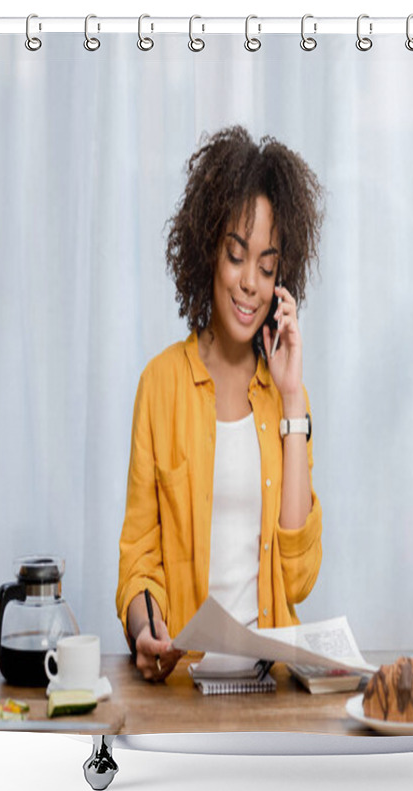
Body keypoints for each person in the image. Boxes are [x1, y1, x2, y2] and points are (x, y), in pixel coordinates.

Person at [115, 126, 324, 681]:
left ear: (282, 279)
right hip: (182, 694)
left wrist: (292, 397)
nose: (250, 284)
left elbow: (299, 578)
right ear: (208, 250)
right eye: (236, 256)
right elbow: (138, 560)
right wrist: (144, 631)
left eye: (266, 266)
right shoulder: (160, 385)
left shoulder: (287, 399)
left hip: (273, 695)